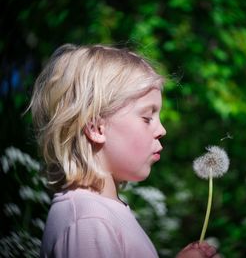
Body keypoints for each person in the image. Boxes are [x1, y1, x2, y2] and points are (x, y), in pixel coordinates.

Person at [29, 44, 220, 258]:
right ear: (96, 127)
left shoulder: (101, 211)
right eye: (147, 118)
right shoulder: (88, 221)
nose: (162, 130)